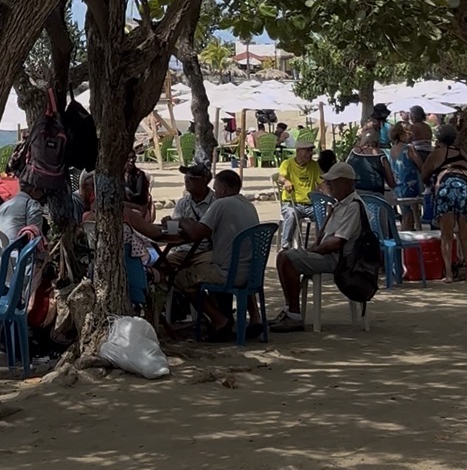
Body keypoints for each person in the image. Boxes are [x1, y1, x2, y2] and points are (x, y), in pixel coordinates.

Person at [125, 169, 260, 340]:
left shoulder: (220, 204)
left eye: (216, 188)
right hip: (251, 271)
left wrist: (183, 221)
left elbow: (197, 233)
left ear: (223, 189)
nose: (215, 191)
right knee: (168, 266)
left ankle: (219, 320)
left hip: (227, 271)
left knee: (181, 277)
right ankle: (248, 318)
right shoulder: (248, 204)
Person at [270, 161, 364, 333]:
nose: (329, 186)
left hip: (339, 260)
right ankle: (290, 310)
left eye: (333, 182)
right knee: (285, 257)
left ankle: (294, 316)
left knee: (287, 258)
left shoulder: (353, 207)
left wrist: (312, 251)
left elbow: (337, 242)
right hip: (329, 255)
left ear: (346, 183)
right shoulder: (339, 204)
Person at [419, 124, 467, 282]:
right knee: (465, 234)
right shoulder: (463, 153)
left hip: (446, 189)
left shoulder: (436, 154)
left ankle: (448, 274)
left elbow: (424, 175)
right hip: (466, 189)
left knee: (446, 235)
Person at [276, 139, 321, 248]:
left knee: (322, 214)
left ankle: (321, 244)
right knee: (291, 214)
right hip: (292, 203)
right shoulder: (287, 163)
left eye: (311, 151)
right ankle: (285, 246)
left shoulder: (314, 165)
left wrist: (329, 196)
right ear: (298, 151)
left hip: (310, 205)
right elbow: (280, 177)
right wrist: (286, 181)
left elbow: (322, 183)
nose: (310, 154)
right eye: (307, 151)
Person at [389, 123, 423, 229]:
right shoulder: (408, 148)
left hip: (398, 186)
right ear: (401, 134)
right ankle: (409, 233)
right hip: (410, 186)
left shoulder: (392, 149)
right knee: (412, 214)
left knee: (406, 213)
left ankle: (407, 230)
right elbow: (420, 165)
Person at [346, 128, 395, 196]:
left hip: (356, 193)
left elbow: (346, 170)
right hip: (376, 194)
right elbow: (391, 182)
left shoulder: (353, 152)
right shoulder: (380, 155)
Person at [123, 151, 153, 220]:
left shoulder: (139, 174)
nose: (131, 160)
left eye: (133, 158)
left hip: (137, 206)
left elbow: (140, 195)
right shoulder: (118, 175)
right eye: (129, 158)